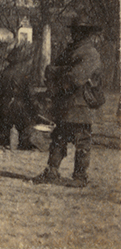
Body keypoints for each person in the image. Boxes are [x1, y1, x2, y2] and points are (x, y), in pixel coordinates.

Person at [33, 18, 104, 188]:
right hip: (65, 103)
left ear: (85, 33)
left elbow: (75, 78)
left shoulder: (90, 53)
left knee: (82, 141)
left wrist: (58, 73)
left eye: (77, 30)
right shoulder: (70, 51)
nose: (73, 33)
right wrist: (60, 72)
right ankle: (52, 171)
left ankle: (80, 176)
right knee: (59, 137)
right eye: (74, 30)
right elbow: (50, 69)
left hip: (80, 104)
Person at [0, 43, 40, 150]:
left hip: (4, 106)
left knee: (3, 127)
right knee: (25, 126)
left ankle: (3, 140)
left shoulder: (1, 74)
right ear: (20, 61)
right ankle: (24, 143)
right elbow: (31, 95)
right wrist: (35, 108)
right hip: (20, 107)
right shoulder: (25, 75)